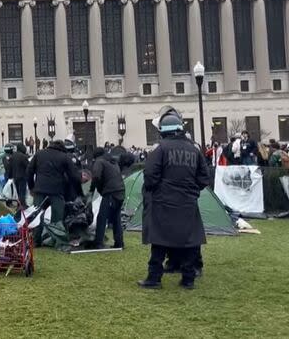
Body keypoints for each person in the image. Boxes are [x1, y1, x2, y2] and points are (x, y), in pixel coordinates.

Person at [138, 107, 209, 290]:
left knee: (160, 242)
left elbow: (150, 178)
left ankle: (154, 279)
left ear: (163, 131)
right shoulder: (194, 150)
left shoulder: (160, 149)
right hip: (187, 203)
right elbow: (203, 178)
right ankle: (188, 279)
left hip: (164, 202)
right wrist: (191, 190)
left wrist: (160, 190)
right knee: (189, 241)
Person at [26, 139, 82, 246]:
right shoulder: (64, 156)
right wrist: (76, 190)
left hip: (40, 189)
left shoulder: (39, 154)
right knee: (57, 216)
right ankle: (55, 239)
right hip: (57, 190)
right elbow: (74, 175)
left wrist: (31, 187)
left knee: (38, 215)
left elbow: (29, 171)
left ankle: (36, 240)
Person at [90, 147, 124, 249]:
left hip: (110, 192)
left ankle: (98, 243)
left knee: (102, 217)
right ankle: (119, 242)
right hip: (120, 191)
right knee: (115, 217)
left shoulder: (99, 161)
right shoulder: (113, 161)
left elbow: (96, 176)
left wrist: (94, 189)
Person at [4, 143, 29, 208]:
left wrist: (10, 177)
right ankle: (22, 205)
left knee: (18, 192)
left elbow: (10, 167)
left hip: (15, 177)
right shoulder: (23, 157)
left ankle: (19, 205)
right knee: (22, 192)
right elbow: (28, 167)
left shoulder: (13, 156)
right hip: (22, 177)